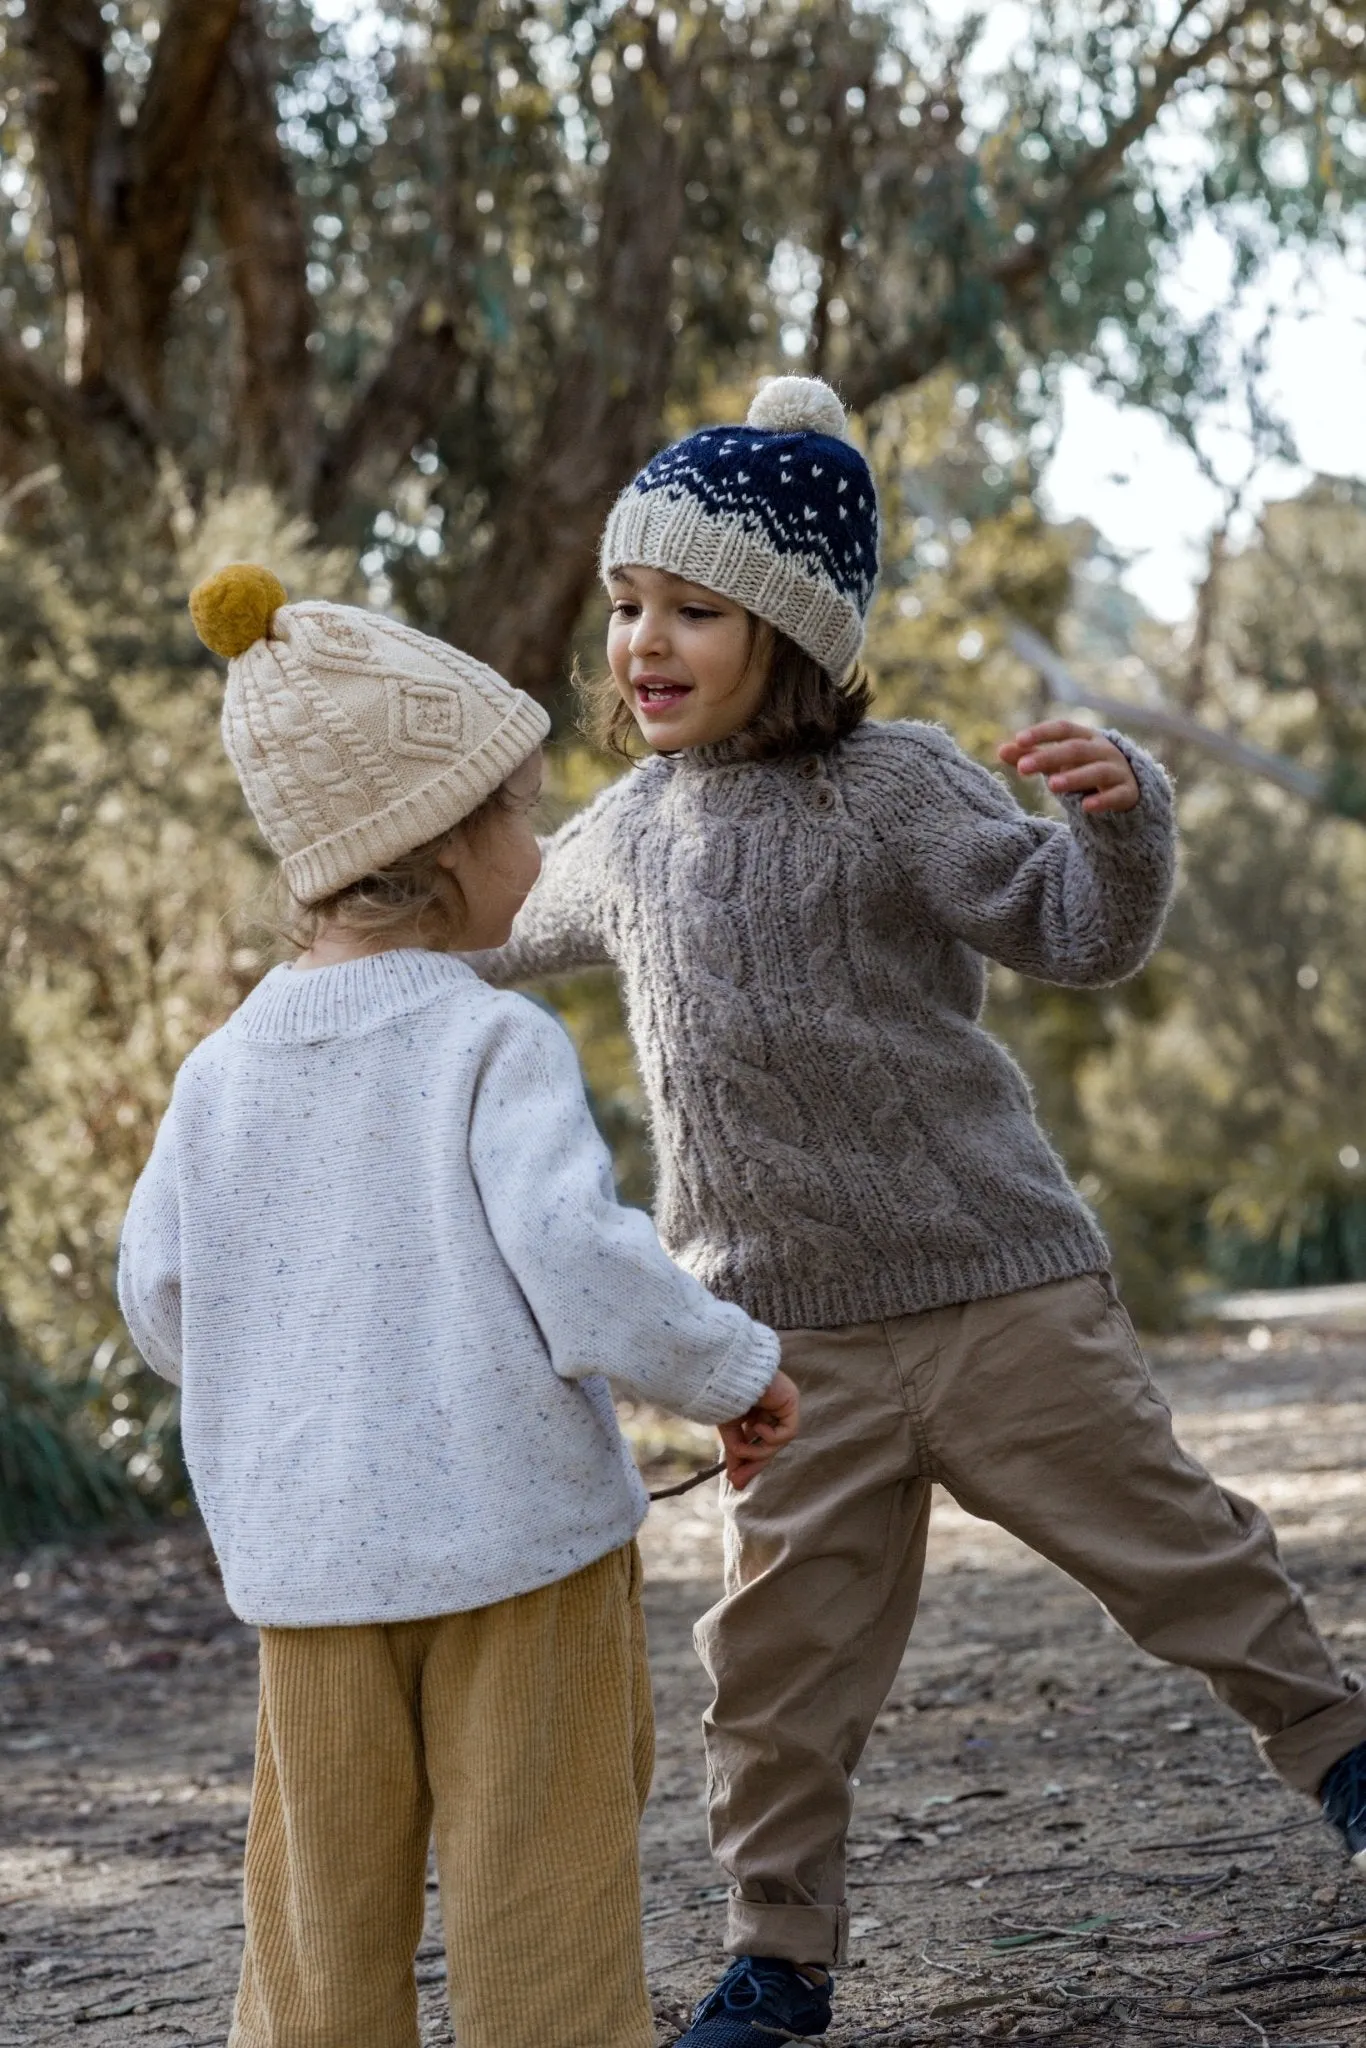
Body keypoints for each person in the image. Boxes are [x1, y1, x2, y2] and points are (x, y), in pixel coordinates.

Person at [469, 377, 1366, 2045]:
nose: (640, 644)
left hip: (993, 1290)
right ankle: (778, 1958)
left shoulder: (892, 785)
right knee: (776, 1673)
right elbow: (484, 934)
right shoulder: (625, 834)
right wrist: (347, 942)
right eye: (624, 607)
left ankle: (1341, 1756)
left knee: (1183, 1558)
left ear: (794, 630)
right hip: (787, 1345)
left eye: (691, 609)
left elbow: (1069, 930)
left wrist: (1114, 822)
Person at [116, 564, 799, 2048]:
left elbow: (162, 1302)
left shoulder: (220, 1072)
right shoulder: (492, 1039)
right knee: (540, 1898)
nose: (543, 844)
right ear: (437, 847)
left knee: (319, 1921)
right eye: (521, 812)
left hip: (312, 1574)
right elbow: (578, 1257)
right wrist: (731, 1369)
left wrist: (286, 1359)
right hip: (517, 1554)